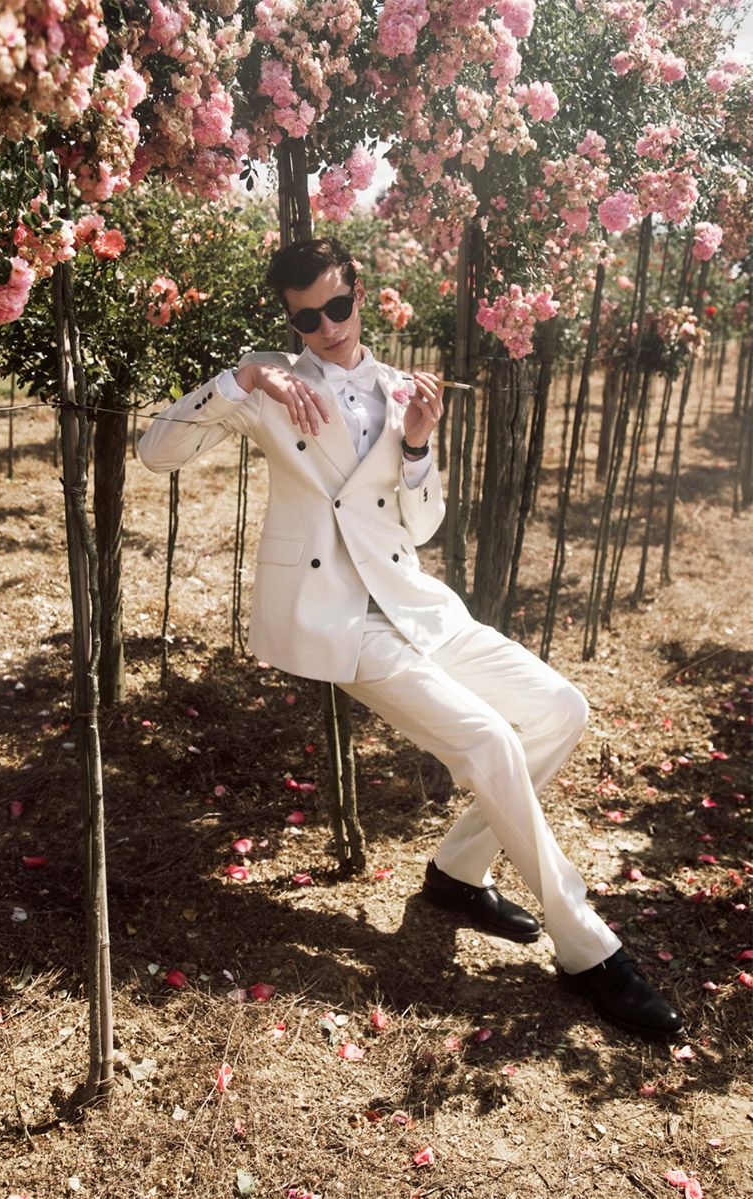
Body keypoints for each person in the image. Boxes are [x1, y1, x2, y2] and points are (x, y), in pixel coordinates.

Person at [139, 236, 684, 1041]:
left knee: (562, 709)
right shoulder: (270, 381)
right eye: (306, 317)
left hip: (412, 600)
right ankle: (588, 948)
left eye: (337, 305)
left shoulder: (401, 389)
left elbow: (421, 524)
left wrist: (421, 445)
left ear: (360, 292)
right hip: (336, 613)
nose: (327, 326)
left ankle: (457, 872)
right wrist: (243, 378)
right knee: (488, 739)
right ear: (289, 320)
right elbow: (156, 452)